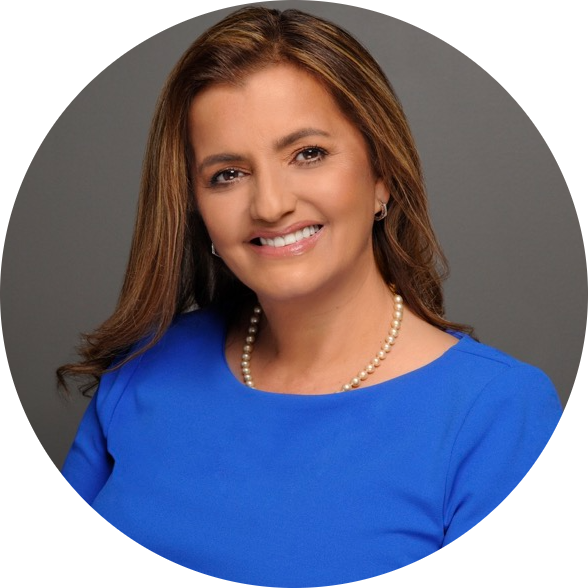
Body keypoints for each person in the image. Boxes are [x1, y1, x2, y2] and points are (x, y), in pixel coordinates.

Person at [58, 6, 562, 586]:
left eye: (308, 154)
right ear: (196, 210)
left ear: (382, 176)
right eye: (228, 174)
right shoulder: (144, 365)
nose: (271, 205)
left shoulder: (498, 413)